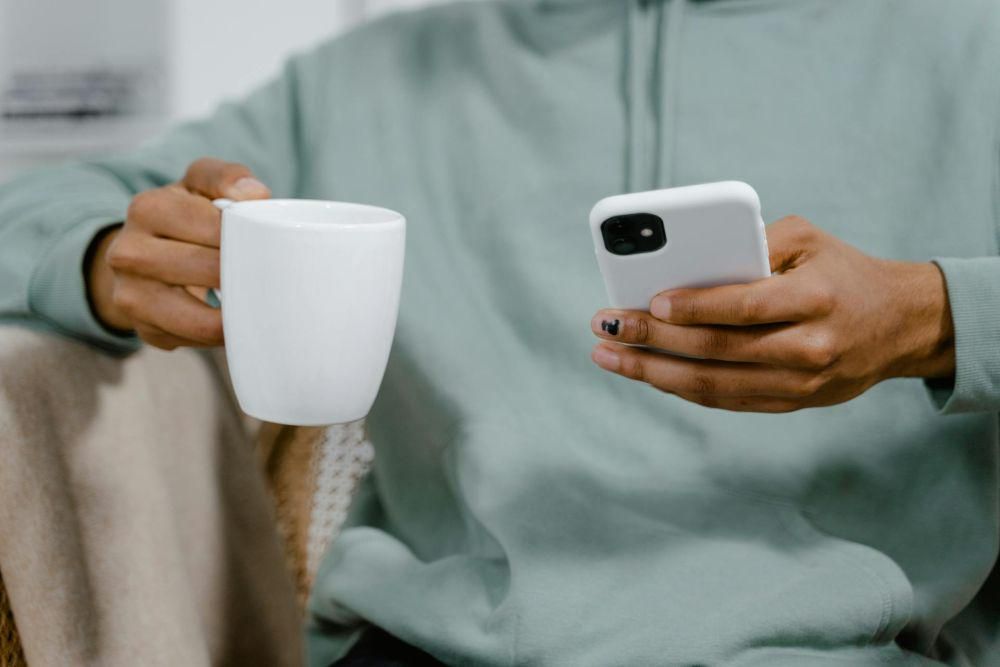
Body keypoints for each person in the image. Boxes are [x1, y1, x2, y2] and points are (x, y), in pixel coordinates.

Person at [1, 0, 998, 664]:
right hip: (425, 647)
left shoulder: (968, 45)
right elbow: (29, 211)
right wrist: (105, 258)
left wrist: (936, 314)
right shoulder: (370, 76)